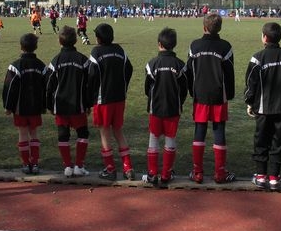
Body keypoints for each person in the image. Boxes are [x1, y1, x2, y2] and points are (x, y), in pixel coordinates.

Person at [244, 22, 281, 191]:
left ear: (264, 37)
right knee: (279, 141)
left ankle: (261, 176)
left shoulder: (257, 58)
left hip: (263, 109)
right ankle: (275, 177)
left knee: (261, 140)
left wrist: (249, 102)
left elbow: (250, 84)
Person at [186, 12, 236, 184]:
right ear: (219, 28)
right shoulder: (225, 47)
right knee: (219, 131)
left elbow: (189, 72)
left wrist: (191, 91)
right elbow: (229, 73)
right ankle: (220, 173)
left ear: (204, 27)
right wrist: (229, 94)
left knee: (199, 131)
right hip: (218, 96)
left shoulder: (194, 46)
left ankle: (197, 172)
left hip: (200, 95)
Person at [88, 23, 134, 180]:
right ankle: (128, 167)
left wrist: (91, 95)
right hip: (119, 98)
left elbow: (91, 75)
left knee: (105, 132)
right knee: (118, 131)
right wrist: (123, 87)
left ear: (98, 38)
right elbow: (129, 69)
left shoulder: (96, 52)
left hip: (103, 100)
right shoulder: (120, 50)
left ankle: (110, 169)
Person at [142, 27, 187, 186]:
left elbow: (147, 88)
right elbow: (184, 89)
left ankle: (152, 174)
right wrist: (179, 102)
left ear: (159, 44)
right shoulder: (180, 65)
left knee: (153, 138)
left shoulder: (151, 64)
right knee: (170, 140)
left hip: (155, 108)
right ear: (174, 44)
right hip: (173, 109)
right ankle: (166, 174)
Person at [46, 26, 92, 177]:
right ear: (76, 40)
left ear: (59, 41)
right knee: (83, 134)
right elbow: (89, 84)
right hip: (78, 104)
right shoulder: (83, 60)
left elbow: (49, 85)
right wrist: (88, 104)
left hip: (60, 105)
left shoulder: (55, 61)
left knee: (63, 135)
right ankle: (79, 165)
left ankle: (67, 166)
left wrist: (49, 105)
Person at [2, 33, 48, 174]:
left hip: (19, 108)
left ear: (21, 47)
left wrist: (8, 106)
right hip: (35, 107)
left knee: (22, 133)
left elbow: (9, 88)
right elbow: (47, 87)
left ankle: (25, 163)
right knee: (34, 133)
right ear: (36, 47)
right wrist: (45, 104)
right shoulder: (41, 65)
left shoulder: (15, 66)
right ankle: (35, 163)